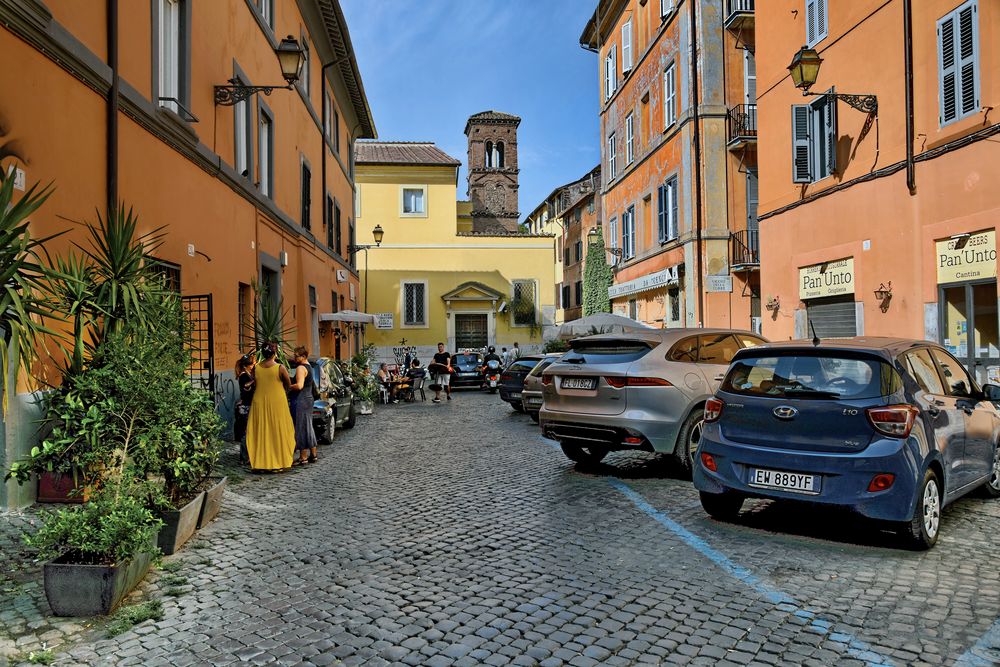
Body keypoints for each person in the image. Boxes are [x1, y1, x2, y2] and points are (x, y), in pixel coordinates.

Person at [246, 342, 295, 472]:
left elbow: (255, 382)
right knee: (278, 431)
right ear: (275, 353)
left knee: (260, 431)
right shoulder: (280, 368)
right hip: (277, 401)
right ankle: (277, 463)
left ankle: (260, 463)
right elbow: (288, 384)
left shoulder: (256, 368)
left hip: (259, 401)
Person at [288, 346, 319, 465]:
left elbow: (300, 385)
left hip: (301, 399)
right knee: (308, 426)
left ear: (304, 356)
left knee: (301, 427)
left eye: (297, 356)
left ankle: (303, 456)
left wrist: (288, 386)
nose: (295, 358)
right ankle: (314, 454)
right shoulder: (309, 366)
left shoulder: (301, 368)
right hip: (308, 398)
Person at [233, 354, 256, 465]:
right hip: (246, 407)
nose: (253, 366)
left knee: (247, 432)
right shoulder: (243, 376)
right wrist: (254, 380)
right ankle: (244, 457)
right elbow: (246, 386)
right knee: (246, 433)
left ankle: (246, 456)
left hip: (247, 405)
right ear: (247, 366)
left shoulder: (247, 374)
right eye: (252, 364)